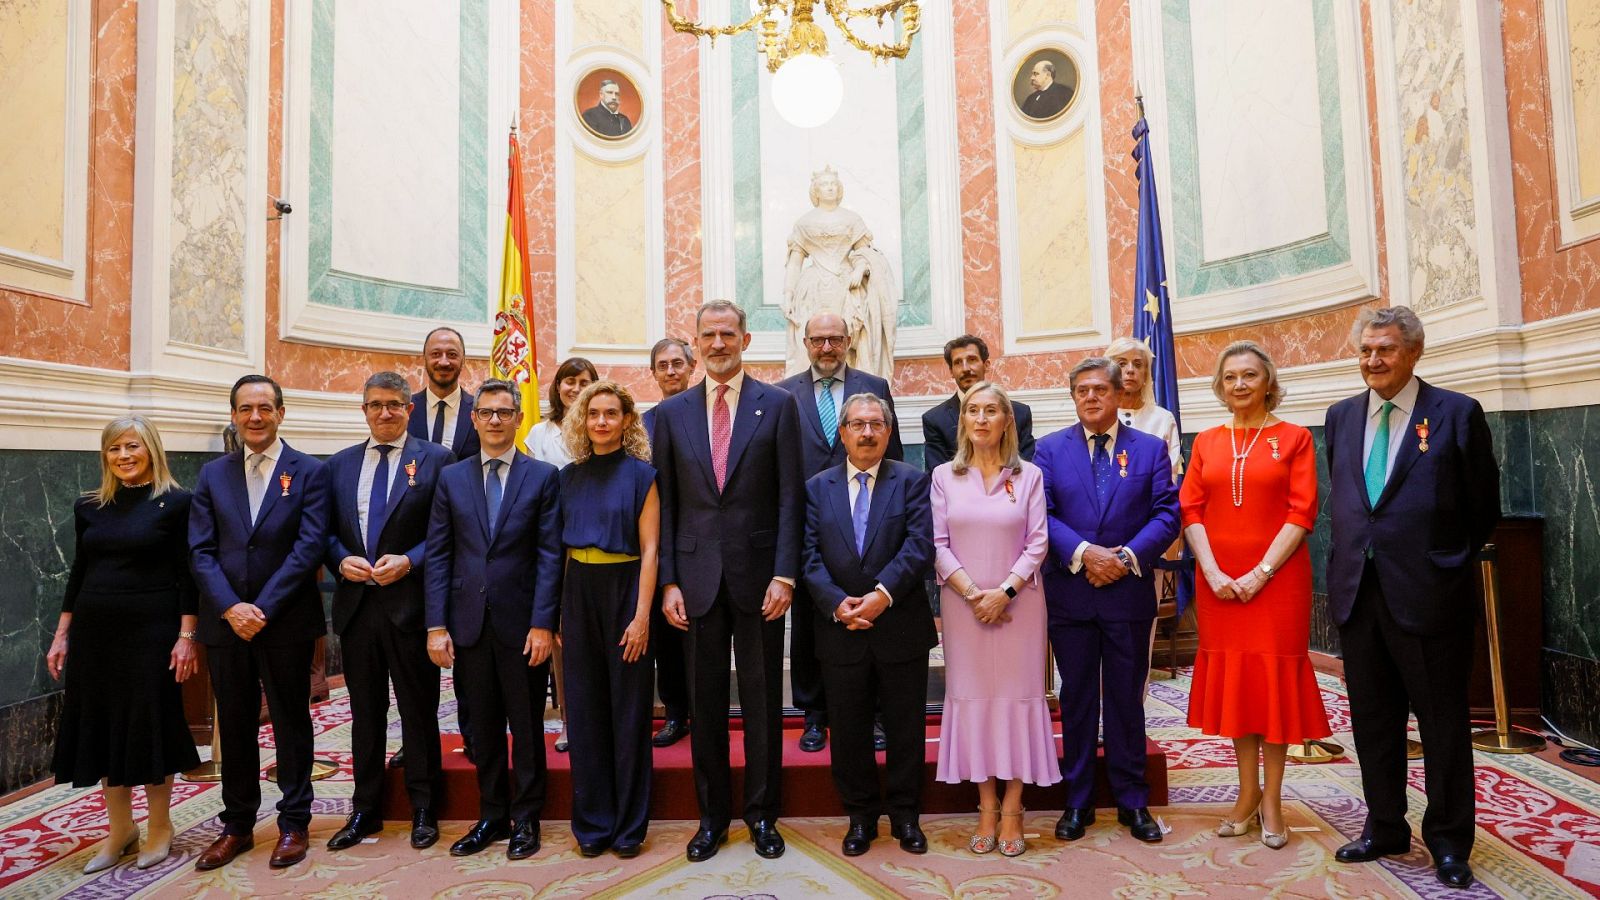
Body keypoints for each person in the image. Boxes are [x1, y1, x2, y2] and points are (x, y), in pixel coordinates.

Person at [1326, 306, 1499, 889]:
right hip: (1359, 593)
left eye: (1386, 350)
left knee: (1442, 724)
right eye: (1366, 351)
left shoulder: (1456, 413)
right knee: (1373, 719)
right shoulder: (1341, 416)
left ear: (1414, 352)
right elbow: (1351, 501)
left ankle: (1450, 841)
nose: (1373, 361)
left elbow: (1483, 508)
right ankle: (1385, 826)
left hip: (1429, 595)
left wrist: (1444, 561)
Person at [652, 299, 803, 863]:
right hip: (693, 583)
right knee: (705, 704)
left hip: (762, 579)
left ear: (745, 339)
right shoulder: (670, 414)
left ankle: (763, 816)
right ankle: (711, 818)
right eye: (708, 335)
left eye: (727, 334)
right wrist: (667, 581)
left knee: (763, 706)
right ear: (696, 343)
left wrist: (786, 573)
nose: (718, 344)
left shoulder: (779, 405)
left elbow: (792, 495)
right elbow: (663, 505)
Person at [1181, 342, 1331, 850]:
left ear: (1268, 382)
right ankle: (1246, 794)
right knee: (1240, 688)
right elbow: (1192, 510)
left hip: (1278, 583)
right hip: (1217, 583)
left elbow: (1302, 512)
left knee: (1272, 686)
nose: (1239, 385)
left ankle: (1273, 799)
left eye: (1249, 375)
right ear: (1220, 387)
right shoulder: (1206, 440)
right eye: (1230, 377)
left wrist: (1260, 573)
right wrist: (1214, 570)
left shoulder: (1294, 439)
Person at [1034, 358, 1180, 845]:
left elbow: (1166, 513)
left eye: (1100, 389)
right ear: (1073, 398)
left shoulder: (1151, 448)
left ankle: (1132, 801)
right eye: (1082, 391)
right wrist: (1083, 553)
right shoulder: (1050, 450)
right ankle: (1076, 802)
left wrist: (1125, 556)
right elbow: (1043, 513)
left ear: (1120, 394)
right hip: (1072, 594)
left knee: (1125, 701)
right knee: (1076, 700)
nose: (1091, 397)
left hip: (1126, 593)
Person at [189, 375, 331, 871]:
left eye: (265, 408)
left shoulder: (310, 471)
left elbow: (309, 547)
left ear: (281, 413)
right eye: (246, 408)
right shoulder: (212, 475)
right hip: (226, 624)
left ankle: (294, 822)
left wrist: (262, 608)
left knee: (292, 723)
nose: (255, 416)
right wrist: (232, 608)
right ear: (234, 415)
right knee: (236, 722)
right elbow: (201, 550)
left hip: (285, 621)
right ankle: (238, 825)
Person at [47, 416, 200, 873]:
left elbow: (185, 574)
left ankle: (159, 827)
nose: (124, 456)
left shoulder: (176, 503)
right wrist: (62, 633)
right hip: (96, 632)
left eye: (132, 446)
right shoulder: (89, 505)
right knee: (102, 727)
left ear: (151, 449)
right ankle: (120, 830)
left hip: (152, 631)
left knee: (147, 727)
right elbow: (80, 571)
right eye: (114, 449)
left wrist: (186, 636)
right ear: (104, 456)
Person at [424, 379, 563, 860]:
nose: (496, 420)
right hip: (467, 623)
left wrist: (544, 623)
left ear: (518, 418)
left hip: (523, 624)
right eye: (487, 413)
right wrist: (436, 626)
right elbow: (439, 555)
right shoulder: (452, 477)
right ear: (474, 419)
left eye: (506, 412)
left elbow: (549, 555)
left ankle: (526, 818)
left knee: (525, 725)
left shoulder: (543, 476)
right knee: (480, 726)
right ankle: (491, 816)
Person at [323, 373, 454, 852]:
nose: (385, 413)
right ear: (363, 410)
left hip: (410, 605)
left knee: (419, 712)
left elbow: (446, 531)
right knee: (365, 714)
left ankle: (424, 808)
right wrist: (340, 559)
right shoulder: (337, 466)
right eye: (376, 405)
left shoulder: (437, 460)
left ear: (409, 409)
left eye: (395, 405)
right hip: (357, 607)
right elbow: (324, 531)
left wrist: (410, 560)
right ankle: (366, 810)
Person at [802, 393, 934, 857]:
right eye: (857, 425)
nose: (867, 432)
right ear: (842, 433)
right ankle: (859, 817)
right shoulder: (817, 486)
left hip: (900, 626)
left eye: (876, 424)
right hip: (841, 630)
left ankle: (905, 815)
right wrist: (838, 605)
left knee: (904, 728)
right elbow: (808, 557)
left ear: (888, 431)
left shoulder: (913, 481)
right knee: (849, 729)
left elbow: (920, 547)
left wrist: (880, 597)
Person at [931, 382, 1056, 858]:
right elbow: (938, 543)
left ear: (1008, 421)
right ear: (962, 421)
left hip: (1019, 607)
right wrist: (971, 593)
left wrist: (1003, 593)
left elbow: (1038, 543)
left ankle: (1014, 807)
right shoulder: (945, 475)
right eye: (972, 411)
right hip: (964, 610)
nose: (981, 418)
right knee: (976, 698)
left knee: (1017, 699)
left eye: (991, 411)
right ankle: (985, 805)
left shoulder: (1029, 477)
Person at [776, 312, 904, 753]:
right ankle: (813, 715)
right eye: (818, 340)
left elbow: (896, 455)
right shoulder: (782, 394)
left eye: (835, 339)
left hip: (870, 519)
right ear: (805, 342)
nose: (826, 348)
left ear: (849, 340)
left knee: (871, 622)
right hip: (811, 520)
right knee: (812, 622)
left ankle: (874, 715)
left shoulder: (875, 385)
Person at [558, 381, 660, 858]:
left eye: (611, 413)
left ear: (626, 420)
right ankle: (593, 824)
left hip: (625, 591)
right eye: (593, 413)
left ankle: (628, 826)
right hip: (578, 591)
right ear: (583, 420)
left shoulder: (643, 475)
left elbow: (650, 549)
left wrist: (642, 617)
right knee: (584, 713)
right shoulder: (568, 477)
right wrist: (557, 612)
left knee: (628, 712)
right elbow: (557, 552)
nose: (601, 421)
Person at [526, 356, 597, 754]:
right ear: (557, 387)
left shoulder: (599, 424)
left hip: (598, 541)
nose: (574, 388)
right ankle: (570, 722)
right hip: (554, 544)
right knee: (560, 639)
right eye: (568, 381)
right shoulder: (539, 432)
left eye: (583, 381)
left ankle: (596, 719)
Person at [780, 166, 899, 377]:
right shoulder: (804, 222)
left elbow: (866, 252)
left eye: (833, 184)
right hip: (812, 288)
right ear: (816, 190)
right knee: (814, 340)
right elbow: (795, 263)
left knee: (850, 343)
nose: (830, 188)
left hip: (846, 286)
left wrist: (860, 268)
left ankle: (851, 394)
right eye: (825, 184)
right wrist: (788, 296)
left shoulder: (852, 219)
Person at [643, 337, 695, 747]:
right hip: (655, 540)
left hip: (701, 538)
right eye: (663, 365)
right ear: (654, 373)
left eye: (678, 363)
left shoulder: (708, 412)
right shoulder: (642, 423)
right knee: (666, 637)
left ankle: (707, 710)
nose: (671, 371)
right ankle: (676, 713)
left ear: (691, 367)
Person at [922, 335, 1034, 471]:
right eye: (958, 362)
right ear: (951, 371)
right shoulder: (935, 419)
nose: (965, 368)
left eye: (972, 360)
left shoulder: (1019, 413)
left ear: (986, 365)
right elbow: (937, 476)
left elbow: (1025, 468)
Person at [1106, 336, 1182, 476]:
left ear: (1146, 373)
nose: (1130, 370)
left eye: (1137, 364)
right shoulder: (1096, 417)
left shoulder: (1163, 418)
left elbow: (1169, 476)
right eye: (1122, 364)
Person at [408, 326, 480, 461]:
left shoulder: (480, 410)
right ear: (424, 359)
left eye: (452, 355)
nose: (444, 362)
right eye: (436, 354)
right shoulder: (405, 409)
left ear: (463, 360)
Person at [527, 357, 598, 468]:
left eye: (584, 384)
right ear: (558, 387)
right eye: (570, 382)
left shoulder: (600, 430)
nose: (576, 389)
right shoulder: (539, 432)